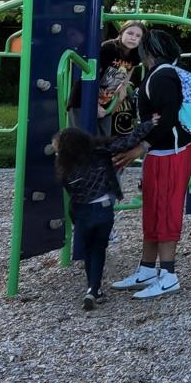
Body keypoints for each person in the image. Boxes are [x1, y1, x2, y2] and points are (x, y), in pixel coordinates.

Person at [110, 30, 191, 300]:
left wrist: (141, 147)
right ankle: (148, 269)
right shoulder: (156, 75)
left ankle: (169, 275)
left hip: (171, 152)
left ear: (148, 49)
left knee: (166, 209)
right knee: (153, 208)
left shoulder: (163, 77)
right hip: (160, 153)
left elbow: (167, 118)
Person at [53, 113, 159, 309]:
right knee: (99, 249)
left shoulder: (66, 169)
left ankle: (92, 289)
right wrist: (149, 123)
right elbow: (129, 140)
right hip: (103, 211)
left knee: (88, 250)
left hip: (82, 212)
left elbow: (69, 192)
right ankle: (94, 289)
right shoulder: (101, 151)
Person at [95, 20, 146, 133]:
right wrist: (94, 104)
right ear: (122, 33)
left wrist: (123, 88)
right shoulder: (109, 48)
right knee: (84, 140)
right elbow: (94, 76)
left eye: (138, 36)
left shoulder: (135, 55)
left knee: (103, 140)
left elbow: (128, 73)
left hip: (106, 101)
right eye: (130, 33)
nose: (133, 38)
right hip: (86, 99)